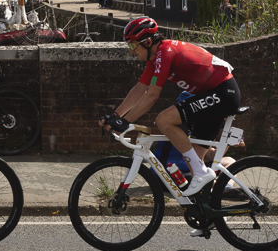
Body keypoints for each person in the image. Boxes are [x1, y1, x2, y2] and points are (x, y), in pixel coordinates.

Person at [102, 16, 240, 211]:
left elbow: (152, 96)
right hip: (213, 94)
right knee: (192, 158)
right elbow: (140, 88)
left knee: (164, 119)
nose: (132, 52)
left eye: (133, 46)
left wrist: (125, 122)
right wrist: (116, 116)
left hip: (223, 92)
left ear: (148, 42)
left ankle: (202, 175)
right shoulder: (155, 57)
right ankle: (208, 213)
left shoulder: (165, 51)